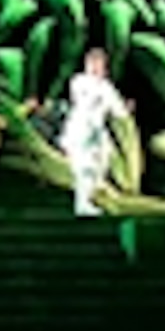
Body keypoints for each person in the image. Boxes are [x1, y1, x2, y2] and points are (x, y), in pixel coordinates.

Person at [58, 46, 132, 215]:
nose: (96, 67)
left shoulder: (106, 86)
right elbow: (82, 99)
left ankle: (93, 192)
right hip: (80, 130)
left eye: (100, 64)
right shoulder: (80, 81)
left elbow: (118, 109)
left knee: (103, 158)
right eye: (93, 63)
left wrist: (125, 110)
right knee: (84, 167)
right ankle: (82, 204)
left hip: (97, 133)